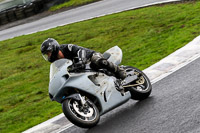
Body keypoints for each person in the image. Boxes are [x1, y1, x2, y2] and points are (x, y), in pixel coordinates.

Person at [41, 38, 126, 80]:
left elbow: (80, 50)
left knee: (97, 61)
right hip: (80, 70)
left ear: (54, 48)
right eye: (46, 54)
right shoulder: (57, 62)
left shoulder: (67, 48)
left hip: (90, 57)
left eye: (48, 53)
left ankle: (119, 70)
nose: (48, 56)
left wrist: (81, 60)